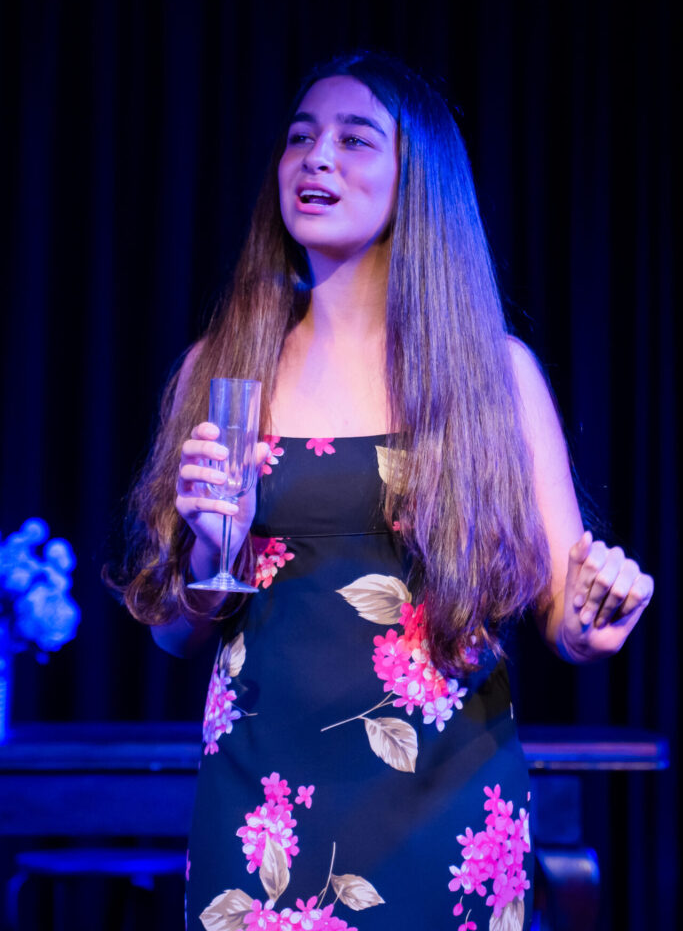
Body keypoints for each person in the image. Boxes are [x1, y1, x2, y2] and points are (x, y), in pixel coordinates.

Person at [115, 52, 653, 931]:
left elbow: (565, 608)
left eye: (354, 140)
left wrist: (594, 619)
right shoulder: (220, 369)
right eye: (300, 138)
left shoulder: (495, 377)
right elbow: (174, 632)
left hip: (445, 805)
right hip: (262, 806)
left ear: (417, 181)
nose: (316, 158)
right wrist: (214, 545)